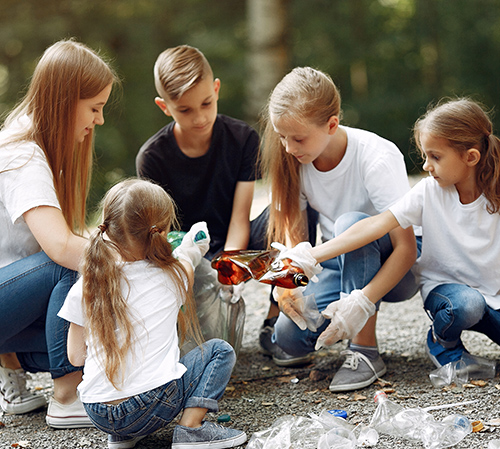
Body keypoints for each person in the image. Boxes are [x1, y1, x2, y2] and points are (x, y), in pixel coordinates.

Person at [293, 97, 499, 373]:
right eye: (426, 155)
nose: (426, 165)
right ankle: (443, 342)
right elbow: (376, 225)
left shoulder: (494, 196)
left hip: (493, 293)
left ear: (471, 157)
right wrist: (309, 255)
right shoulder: (428, 192)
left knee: (478, 306)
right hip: (449, 293)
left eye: (435, 157)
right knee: (468, 305)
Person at [260, 67, 420, 392]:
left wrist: (361, 304)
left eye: (298, 138)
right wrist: (289, 284)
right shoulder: (295, 159)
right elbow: (297, 240)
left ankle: (364, 350)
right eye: (281, 136)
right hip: (339, 262)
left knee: (352, 223)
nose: (288, 147)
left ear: (332, 124)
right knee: (288, 338)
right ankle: (341, 323)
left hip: (397, 268)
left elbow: (407, 250)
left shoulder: (375, 157)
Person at [59, 178, 247, 449]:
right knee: (219, 350)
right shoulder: (174, 275)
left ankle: (121, 435)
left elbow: (75, 357)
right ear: (160, 231)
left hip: (97, 411)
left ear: (107, 229)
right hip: (153, 404)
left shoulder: (86, 285)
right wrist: (193, 247)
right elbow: (187, 258)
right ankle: (192, 429)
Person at [135, 44, 296, 336]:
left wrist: (229, 266)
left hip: (236, 244)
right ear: (164, 106)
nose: (199, 118)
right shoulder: (152, 158)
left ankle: (277, 319)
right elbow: (162, 238)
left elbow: (239, 217)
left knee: (288, 213)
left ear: (217, 89)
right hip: (186, 255)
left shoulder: (243, 139)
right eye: (185, 110)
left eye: (206, 103)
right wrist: (198, 269)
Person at [0, 39, 117, 427]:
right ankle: (67, 397)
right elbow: (61, 248)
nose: (99, 120)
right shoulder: (24, 155)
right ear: (66, 100)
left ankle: (17, 363)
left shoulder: (41, 144)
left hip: (13, 304)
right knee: (69, 263)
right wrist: (130, 260)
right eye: (95, 108)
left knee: (104, 343)